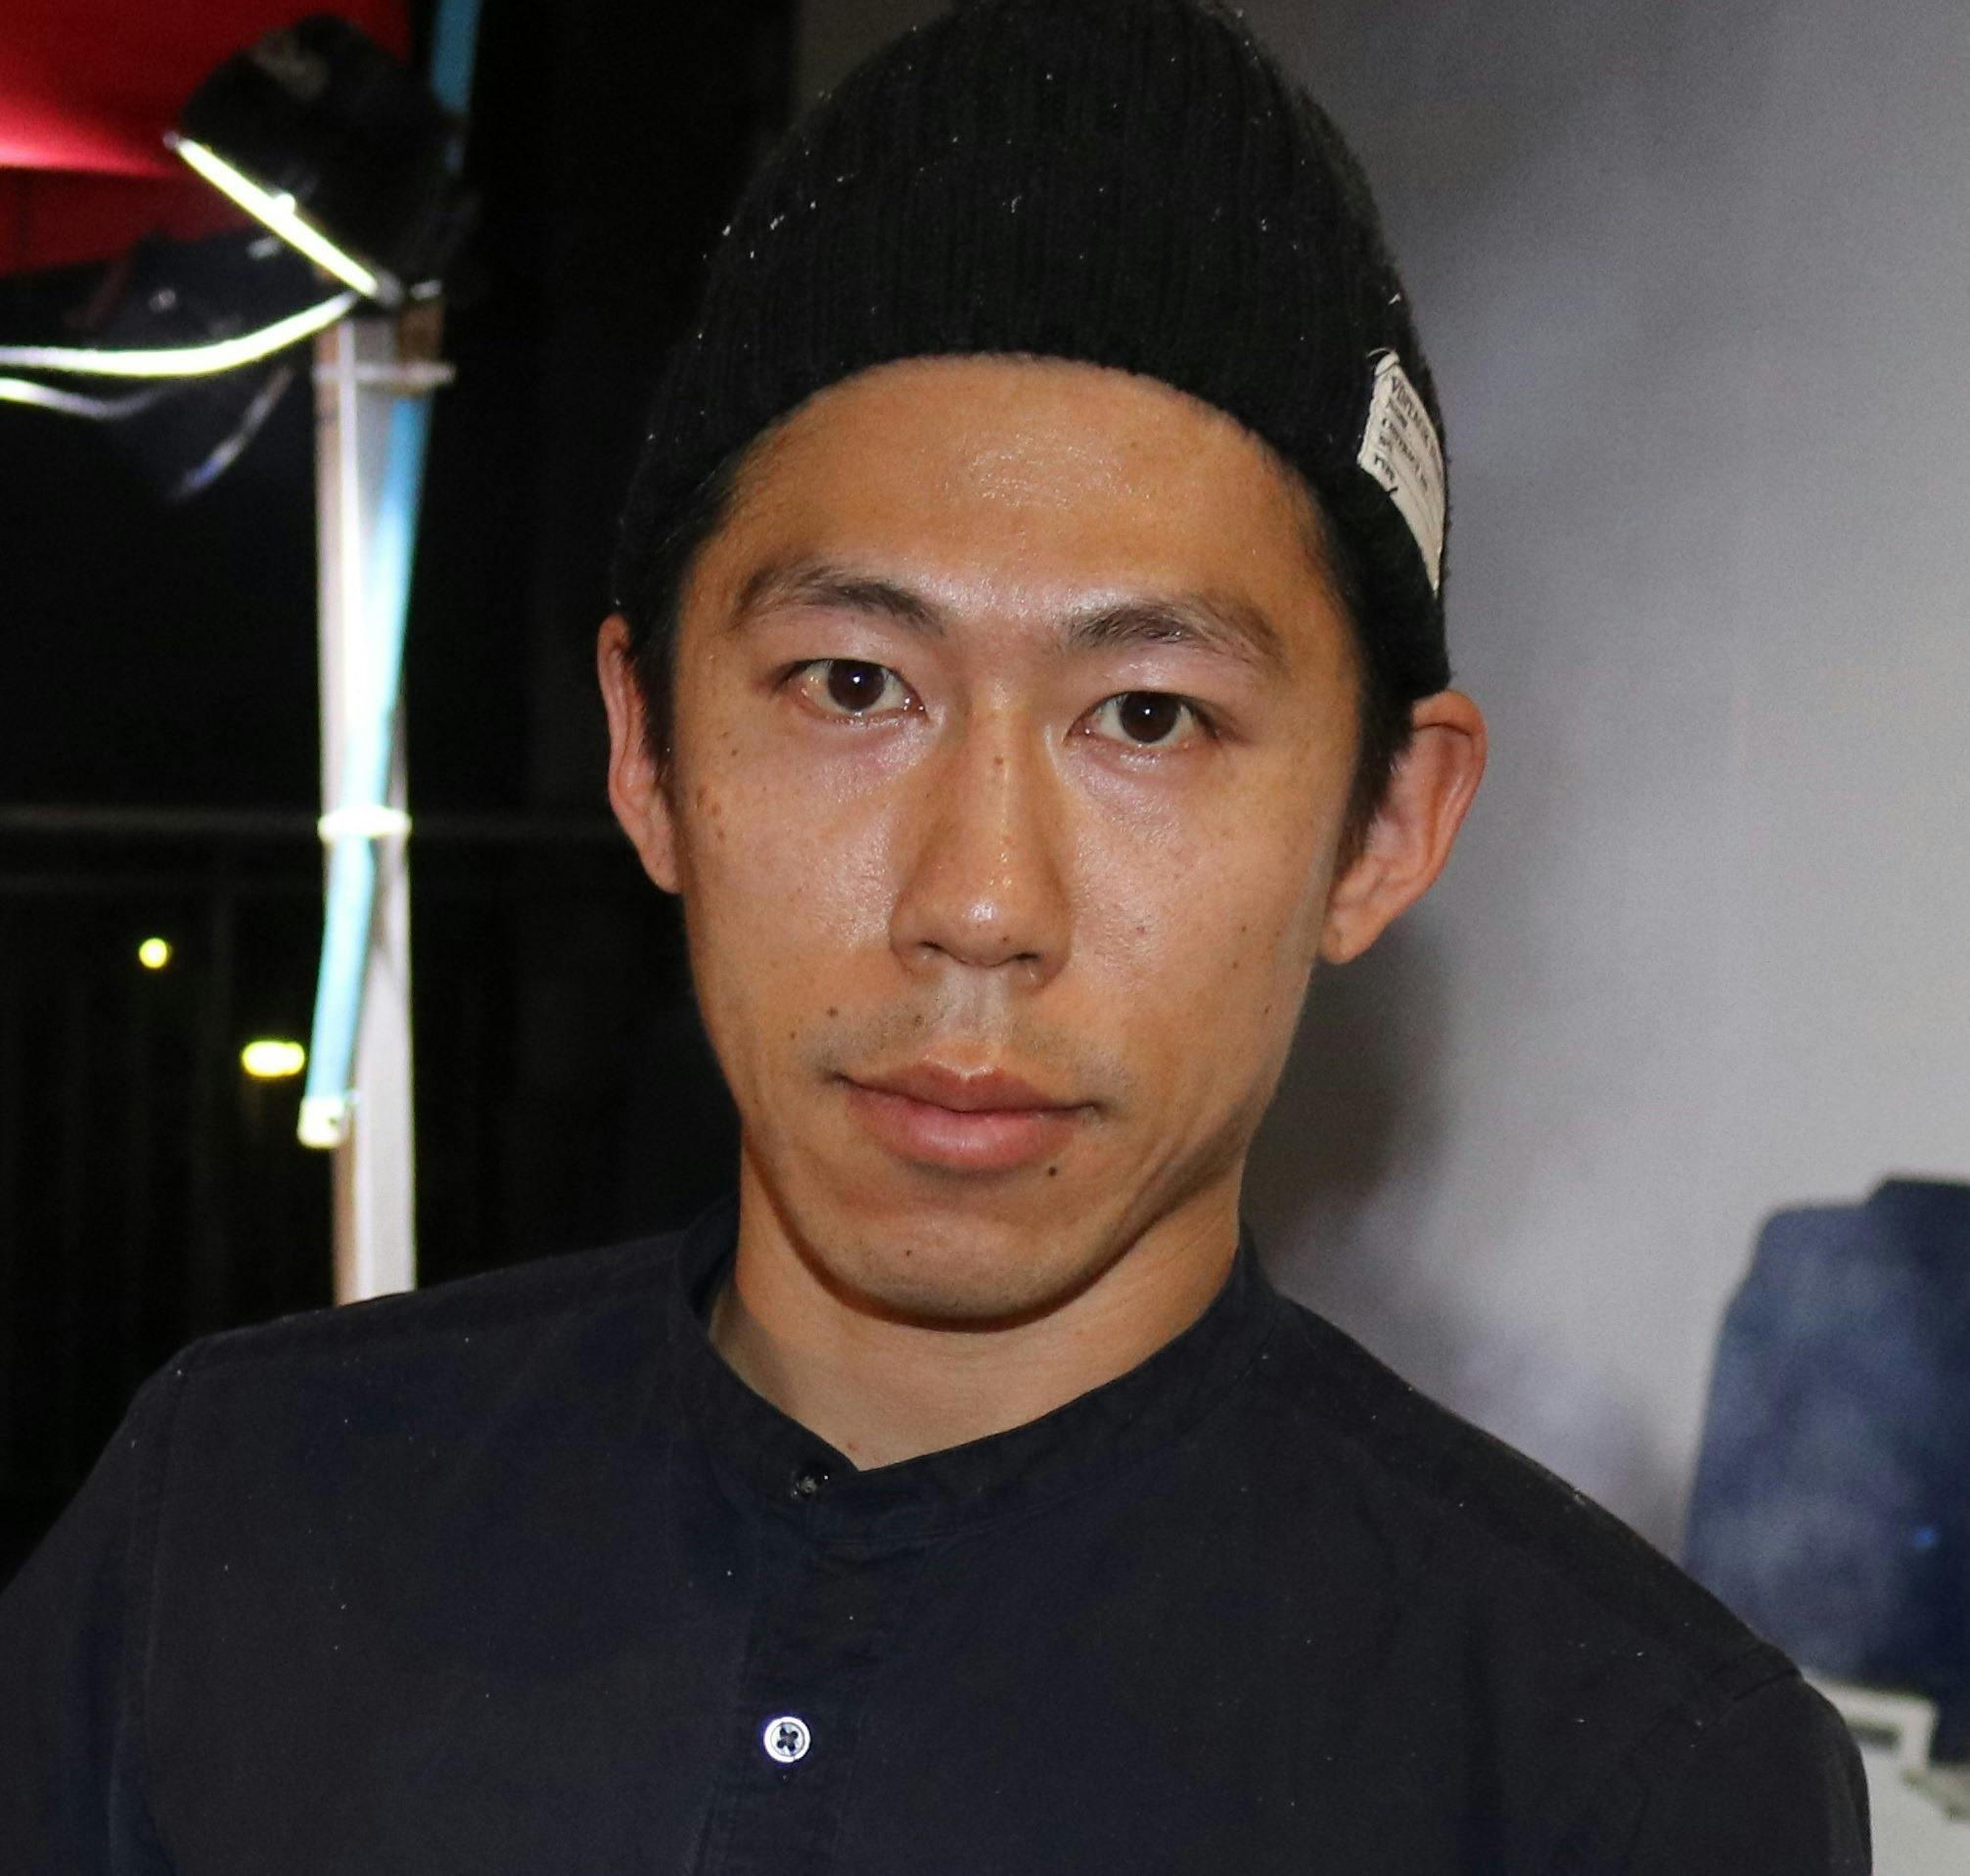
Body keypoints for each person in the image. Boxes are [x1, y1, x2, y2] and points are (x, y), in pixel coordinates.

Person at [0, 1, 1870, 1869]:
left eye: (1148, 715)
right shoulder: (228, 1528)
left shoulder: (1616, 1780)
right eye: (851, 683)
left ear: (1384, 824)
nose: (977, 901)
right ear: (647, 749)